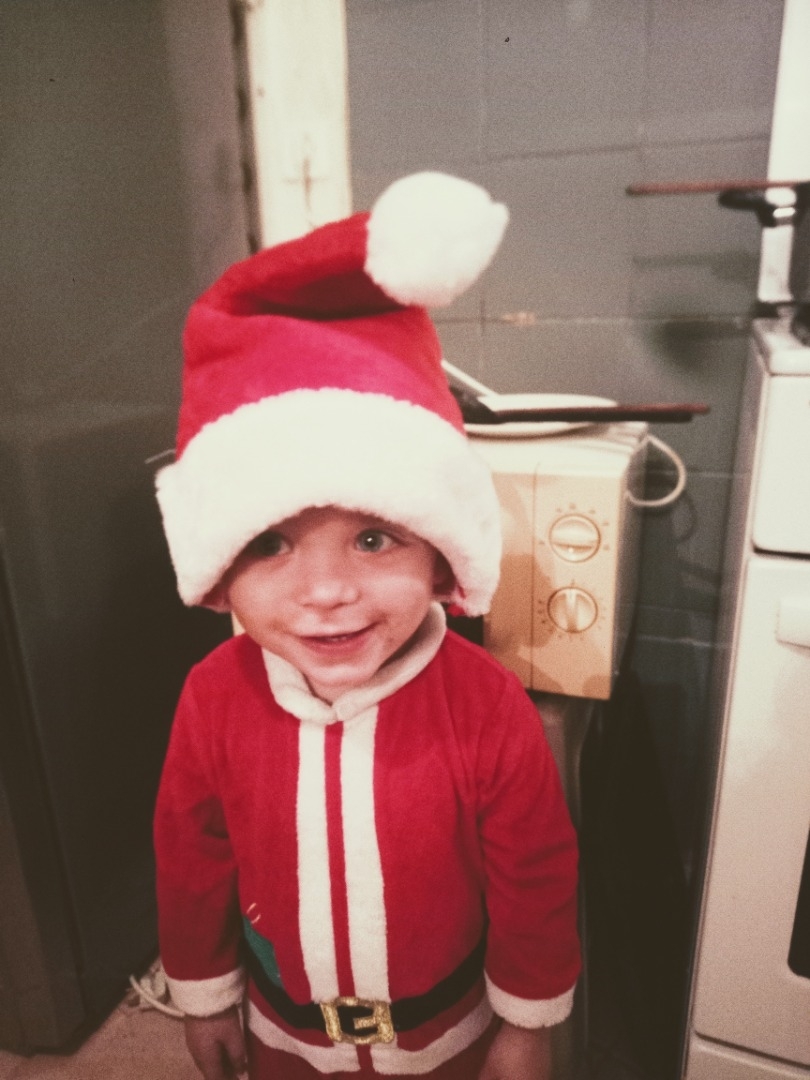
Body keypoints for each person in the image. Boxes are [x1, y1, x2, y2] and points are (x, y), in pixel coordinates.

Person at [153, 172, 581, 1080]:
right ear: (219, 570)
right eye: (270, 543)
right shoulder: (212, 698)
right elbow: (192, 855)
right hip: (284, 1040)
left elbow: (535, 875)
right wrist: (206, 994)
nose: (326, 592)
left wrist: (527, 1024)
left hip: (451, 1040)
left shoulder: (486, 705)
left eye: (374, 537)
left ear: (440, 554)